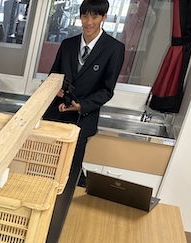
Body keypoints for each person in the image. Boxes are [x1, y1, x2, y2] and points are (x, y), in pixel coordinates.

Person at [44, 0, 124, 185]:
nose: (88, 22)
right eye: (84, 16)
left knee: (71, 172)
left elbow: (107, 90)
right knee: (46, 166)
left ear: (104, 17)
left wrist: (81, 106)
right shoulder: (68, 44)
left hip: (82, 118)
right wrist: (55, 89)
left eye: (94, 16)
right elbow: (54, 76)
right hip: (56, 115)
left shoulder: (114, 49)